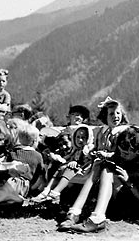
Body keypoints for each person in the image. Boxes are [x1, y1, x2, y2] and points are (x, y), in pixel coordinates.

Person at [53, 97, 131, 227]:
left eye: (118, 113)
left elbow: (122, 154)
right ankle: (74, 212)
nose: (115, 116)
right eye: (111, 113)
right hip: (99, 165)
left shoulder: (122, 132)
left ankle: (76, 212)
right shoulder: (103, 131)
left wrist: (106, 155)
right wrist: (92, 152)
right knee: (91, 169)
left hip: (115, 168)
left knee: (96, 170)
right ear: (105, 116)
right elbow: (97, 147)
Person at [65, 126, 139, 233]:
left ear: (137, 151)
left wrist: (129, 182)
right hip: (115, 204)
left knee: (107, 172)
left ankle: (97, 218)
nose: (122, 155)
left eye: (126, 153)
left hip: (132, 208)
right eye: (120, 151)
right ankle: (74, 213)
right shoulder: (119, 156)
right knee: (99, 167)